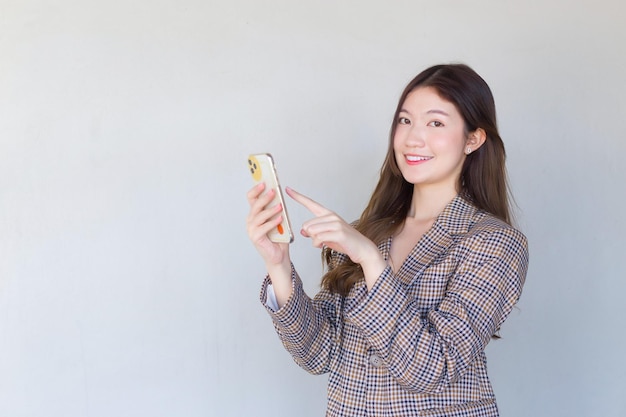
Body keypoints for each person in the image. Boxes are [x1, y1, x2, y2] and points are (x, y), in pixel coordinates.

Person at [246, 63, 529, 417]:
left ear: (473, 139)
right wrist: (279, 266)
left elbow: (431, 369)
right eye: (405, 120)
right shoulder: (366, 232)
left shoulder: (494, 242)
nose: (413, 138)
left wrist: (371, 261)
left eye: (436, 123)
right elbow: (319, 354)